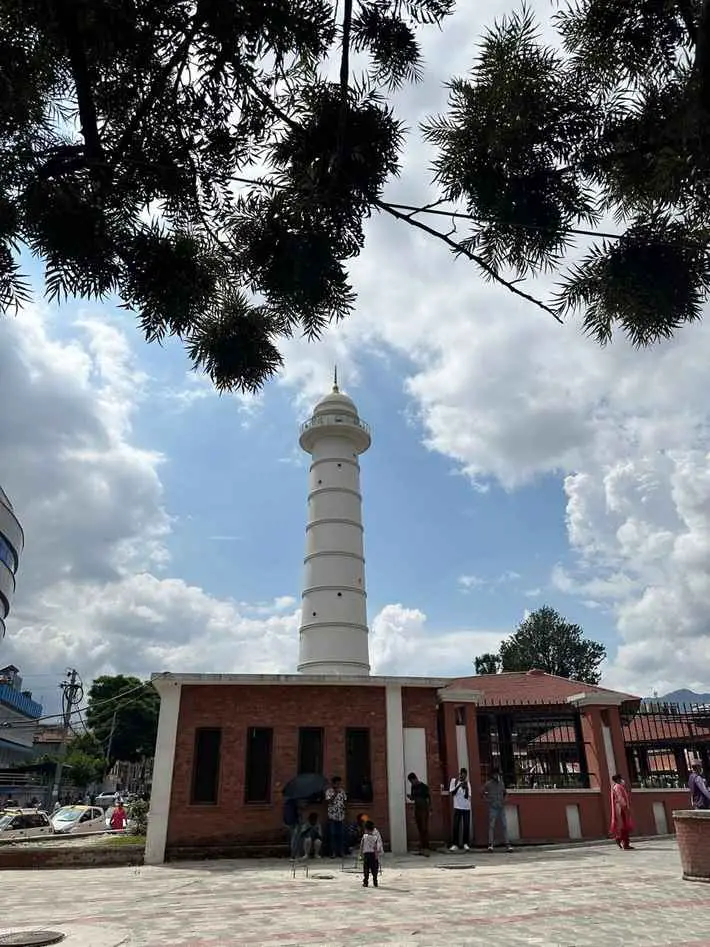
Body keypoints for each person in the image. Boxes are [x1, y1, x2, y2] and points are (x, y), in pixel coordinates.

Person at [483, 769, 513, 852]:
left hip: (501, 806)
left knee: (504, 825)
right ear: (492, 775)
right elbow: (482, 793)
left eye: (497, 774)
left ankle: (507, 844)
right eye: (495, 774)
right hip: (493, 807)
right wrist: (488, 801)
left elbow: (505, 793)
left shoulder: (501, 783)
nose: (496, 776)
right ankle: (490, 844)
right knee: (491, 826)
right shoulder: (488, 784)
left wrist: (505, 800)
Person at [407, 772, 431, 855]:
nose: (412, 783)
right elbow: (413, 797)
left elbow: (428, 798)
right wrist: (410, 797)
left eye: (412, 781)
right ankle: (422, 847)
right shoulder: (413, 787)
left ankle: (426, 847)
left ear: (415, 779)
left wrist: (429, 809)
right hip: (417, 808)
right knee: (419, 827)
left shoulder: (423, 787)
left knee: (424, 828)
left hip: (424, 808)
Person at [449, 767, 472, 851]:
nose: (463, 777)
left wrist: (465, 788)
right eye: (462, 775)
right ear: (460, 774)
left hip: (466, 807)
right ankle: (455, 844)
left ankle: (465, 843)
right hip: (457, 807)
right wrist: (459, 785)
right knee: (456, 826)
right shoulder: (454, 781)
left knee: (466, 826)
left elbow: (467, 796)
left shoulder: (468, 783)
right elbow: (452, 793)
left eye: (465, 775)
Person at [610, 773, 633, 850]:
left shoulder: (619, 787)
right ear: (618, 779)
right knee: (624, 825)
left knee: (624, 826)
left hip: (621, 808)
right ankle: (622, 841)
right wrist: (625, 806)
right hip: (621, 809)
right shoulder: (617, 787)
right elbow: (620, 798)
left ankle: (621, 840)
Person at [325, 776, 347, 858]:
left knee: (341, 835)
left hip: (341, 816)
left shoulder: (342, 792)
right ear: (333, 783)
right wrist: (335, 793)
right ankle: (333, 852)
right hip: (332, 816)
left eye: (339, 783)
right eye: (337, 783)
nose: (338, 785)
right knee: (333, 834)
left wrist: (345, 813)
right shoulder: (329, 791)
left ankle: (341, 852)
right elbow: (329, 801)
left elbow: (345, 802)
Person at [360, 819, 384, 887]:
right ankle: (375, 881)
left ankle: (365, 882)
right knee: (374, 869)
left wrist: (361, 854)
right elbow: (375, 848)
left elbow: (361, 846)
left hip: (366, 855)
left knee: (366, 869)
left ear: (366, 829)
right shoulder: (375, 837)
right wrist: (376, 856)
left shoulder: (364, 837)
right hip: (373, 855)